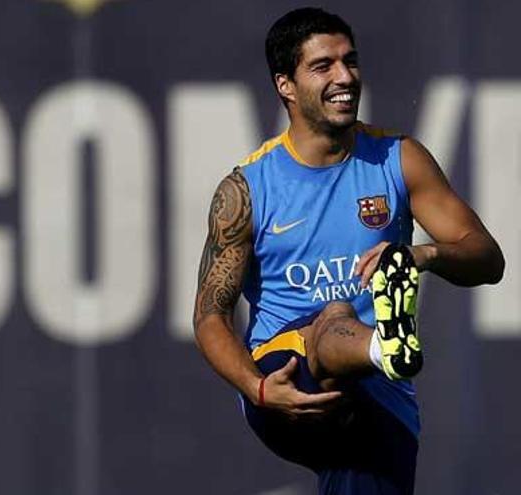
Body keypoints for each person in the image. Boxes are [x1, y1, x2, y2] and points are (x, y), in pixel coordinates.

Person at [193, 7, 504, 495]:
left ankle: (383, 354)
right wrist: (256, 388)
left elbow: (488, 259)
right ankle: (385, 346)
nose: (345, 77)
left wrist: (424, 256)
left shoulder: (398, 159)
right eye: (323, 66)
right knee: (331, 316)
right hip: (285, 375)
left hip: (380, 395)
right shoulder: (247, 190)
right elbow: (210, 317)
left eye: (350, 61)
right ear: (286, 85)